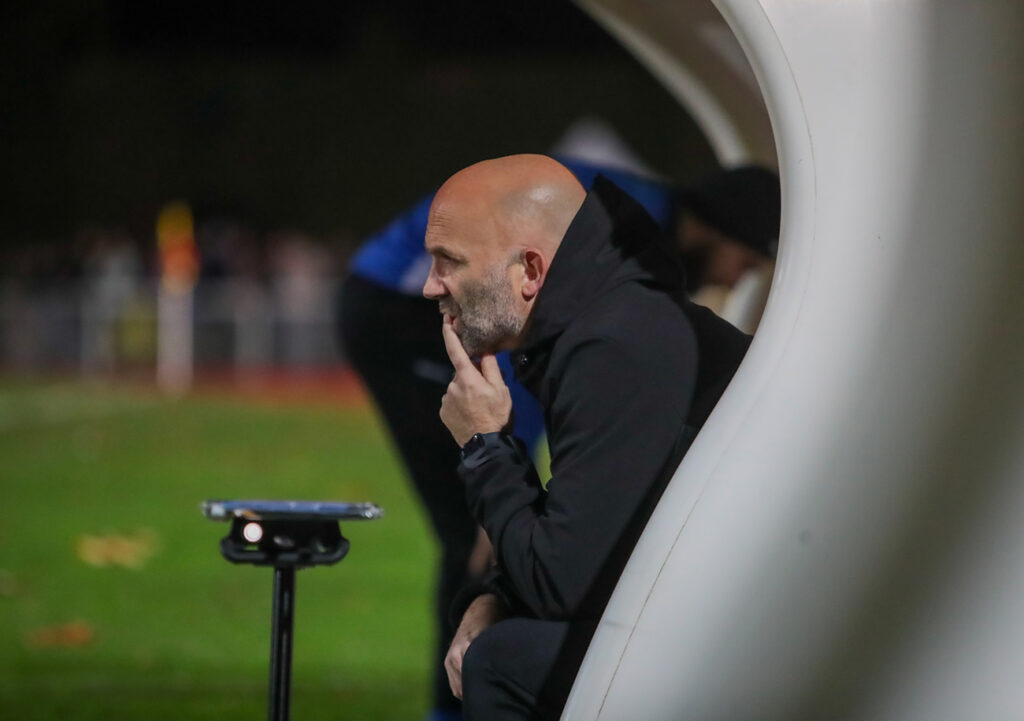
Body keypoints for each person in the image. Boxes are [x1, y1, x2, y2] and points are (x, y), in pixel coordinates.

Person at [337, 157, 777, 721]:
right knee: (500, 644)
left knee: (502, 662)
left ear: (530, 272)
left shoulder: (614, 346)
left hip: (750, 635)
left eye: (449, 262)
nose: (428, 287)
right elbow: (584, 536)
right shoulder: (602, 325)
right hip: (720, 611)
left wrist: (484, 446)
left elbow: (561, 581)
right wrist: (490, 596)